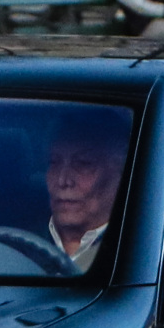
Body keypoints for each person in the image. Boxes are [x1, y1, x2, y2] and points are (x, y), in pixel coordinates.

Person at [45, 112, 129, 272]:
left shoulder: (144, 250)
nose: (63, 181)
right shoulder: (11, 242)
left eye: (83, 163)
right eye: (54, 162)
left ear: (121, 173)